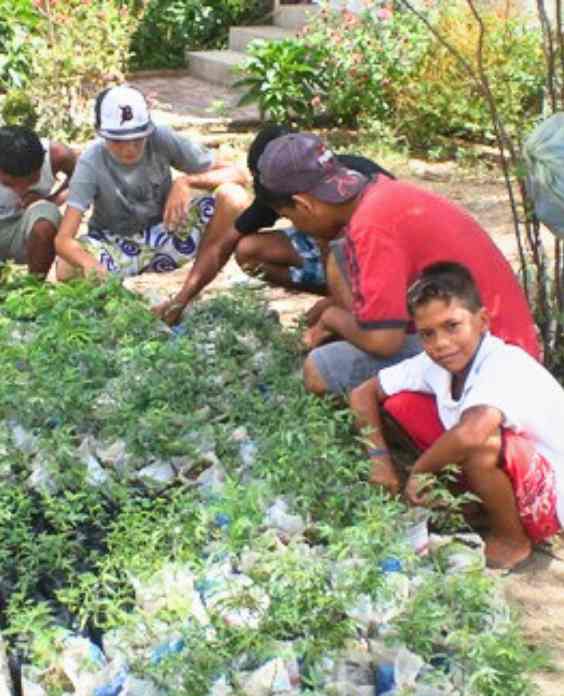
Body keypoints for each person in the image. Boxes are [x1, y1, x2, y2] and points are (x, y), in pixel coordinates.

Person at [255, 132, 541, 404]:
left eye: (287, 216)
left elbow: (384, 341)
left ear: (303, 205)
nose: (295, 226)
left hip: (492, 360)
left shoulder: (370, 226)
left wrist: (331, 317)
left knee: (320, 369)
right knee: (341, 262)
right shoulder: (380, 191)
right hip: (503, 340)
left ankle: (406, 437)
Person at [349, 262, 563, 570]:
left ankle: (512, 539)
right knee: (400, 403)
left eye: (452, 326)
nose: (441, 344)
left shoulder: (503, 364)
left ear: (482, 321)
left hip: (552, 493)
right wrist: (379, 460)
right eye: (427, 334)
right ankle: (480, 506)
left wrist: (420, 472)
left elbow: (472, 434)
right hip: (515, 473)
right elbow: (362, 394)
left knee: (479, 443)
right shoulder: (433, 363)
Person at [154, 124, 394, 325]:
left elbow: (384, 339)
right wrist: (181, 300)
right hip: (342, 259)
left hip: (383, 268)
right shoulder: (281, 188)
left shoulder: (367, 196)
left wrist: (334, 310)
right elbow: (224, 243)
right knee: (249, 248)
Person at [55, 85, 249, 294]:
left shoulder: (161, 137)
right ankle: (111, 302)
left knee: (234, 197)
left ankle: (193, 286)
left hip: (169, 230)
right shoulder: (90, 161)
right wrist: (91, 265)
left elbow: (239, 174)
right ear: (101, 134)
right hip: (115, 245)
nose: (129, 149)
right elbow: (63, 239)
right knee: (67, 266)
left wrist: (187, 182)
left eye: (137, 139)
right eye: (118, 141)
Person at [0, 125, 77, 277]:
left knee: (46, 218)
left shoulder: (59, 155)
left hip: (23, 230)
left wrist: (53, 199)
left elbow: (82, 179)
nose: (21, 191)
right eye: (11, 183)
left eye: (30, 181)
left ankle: (33, 288)